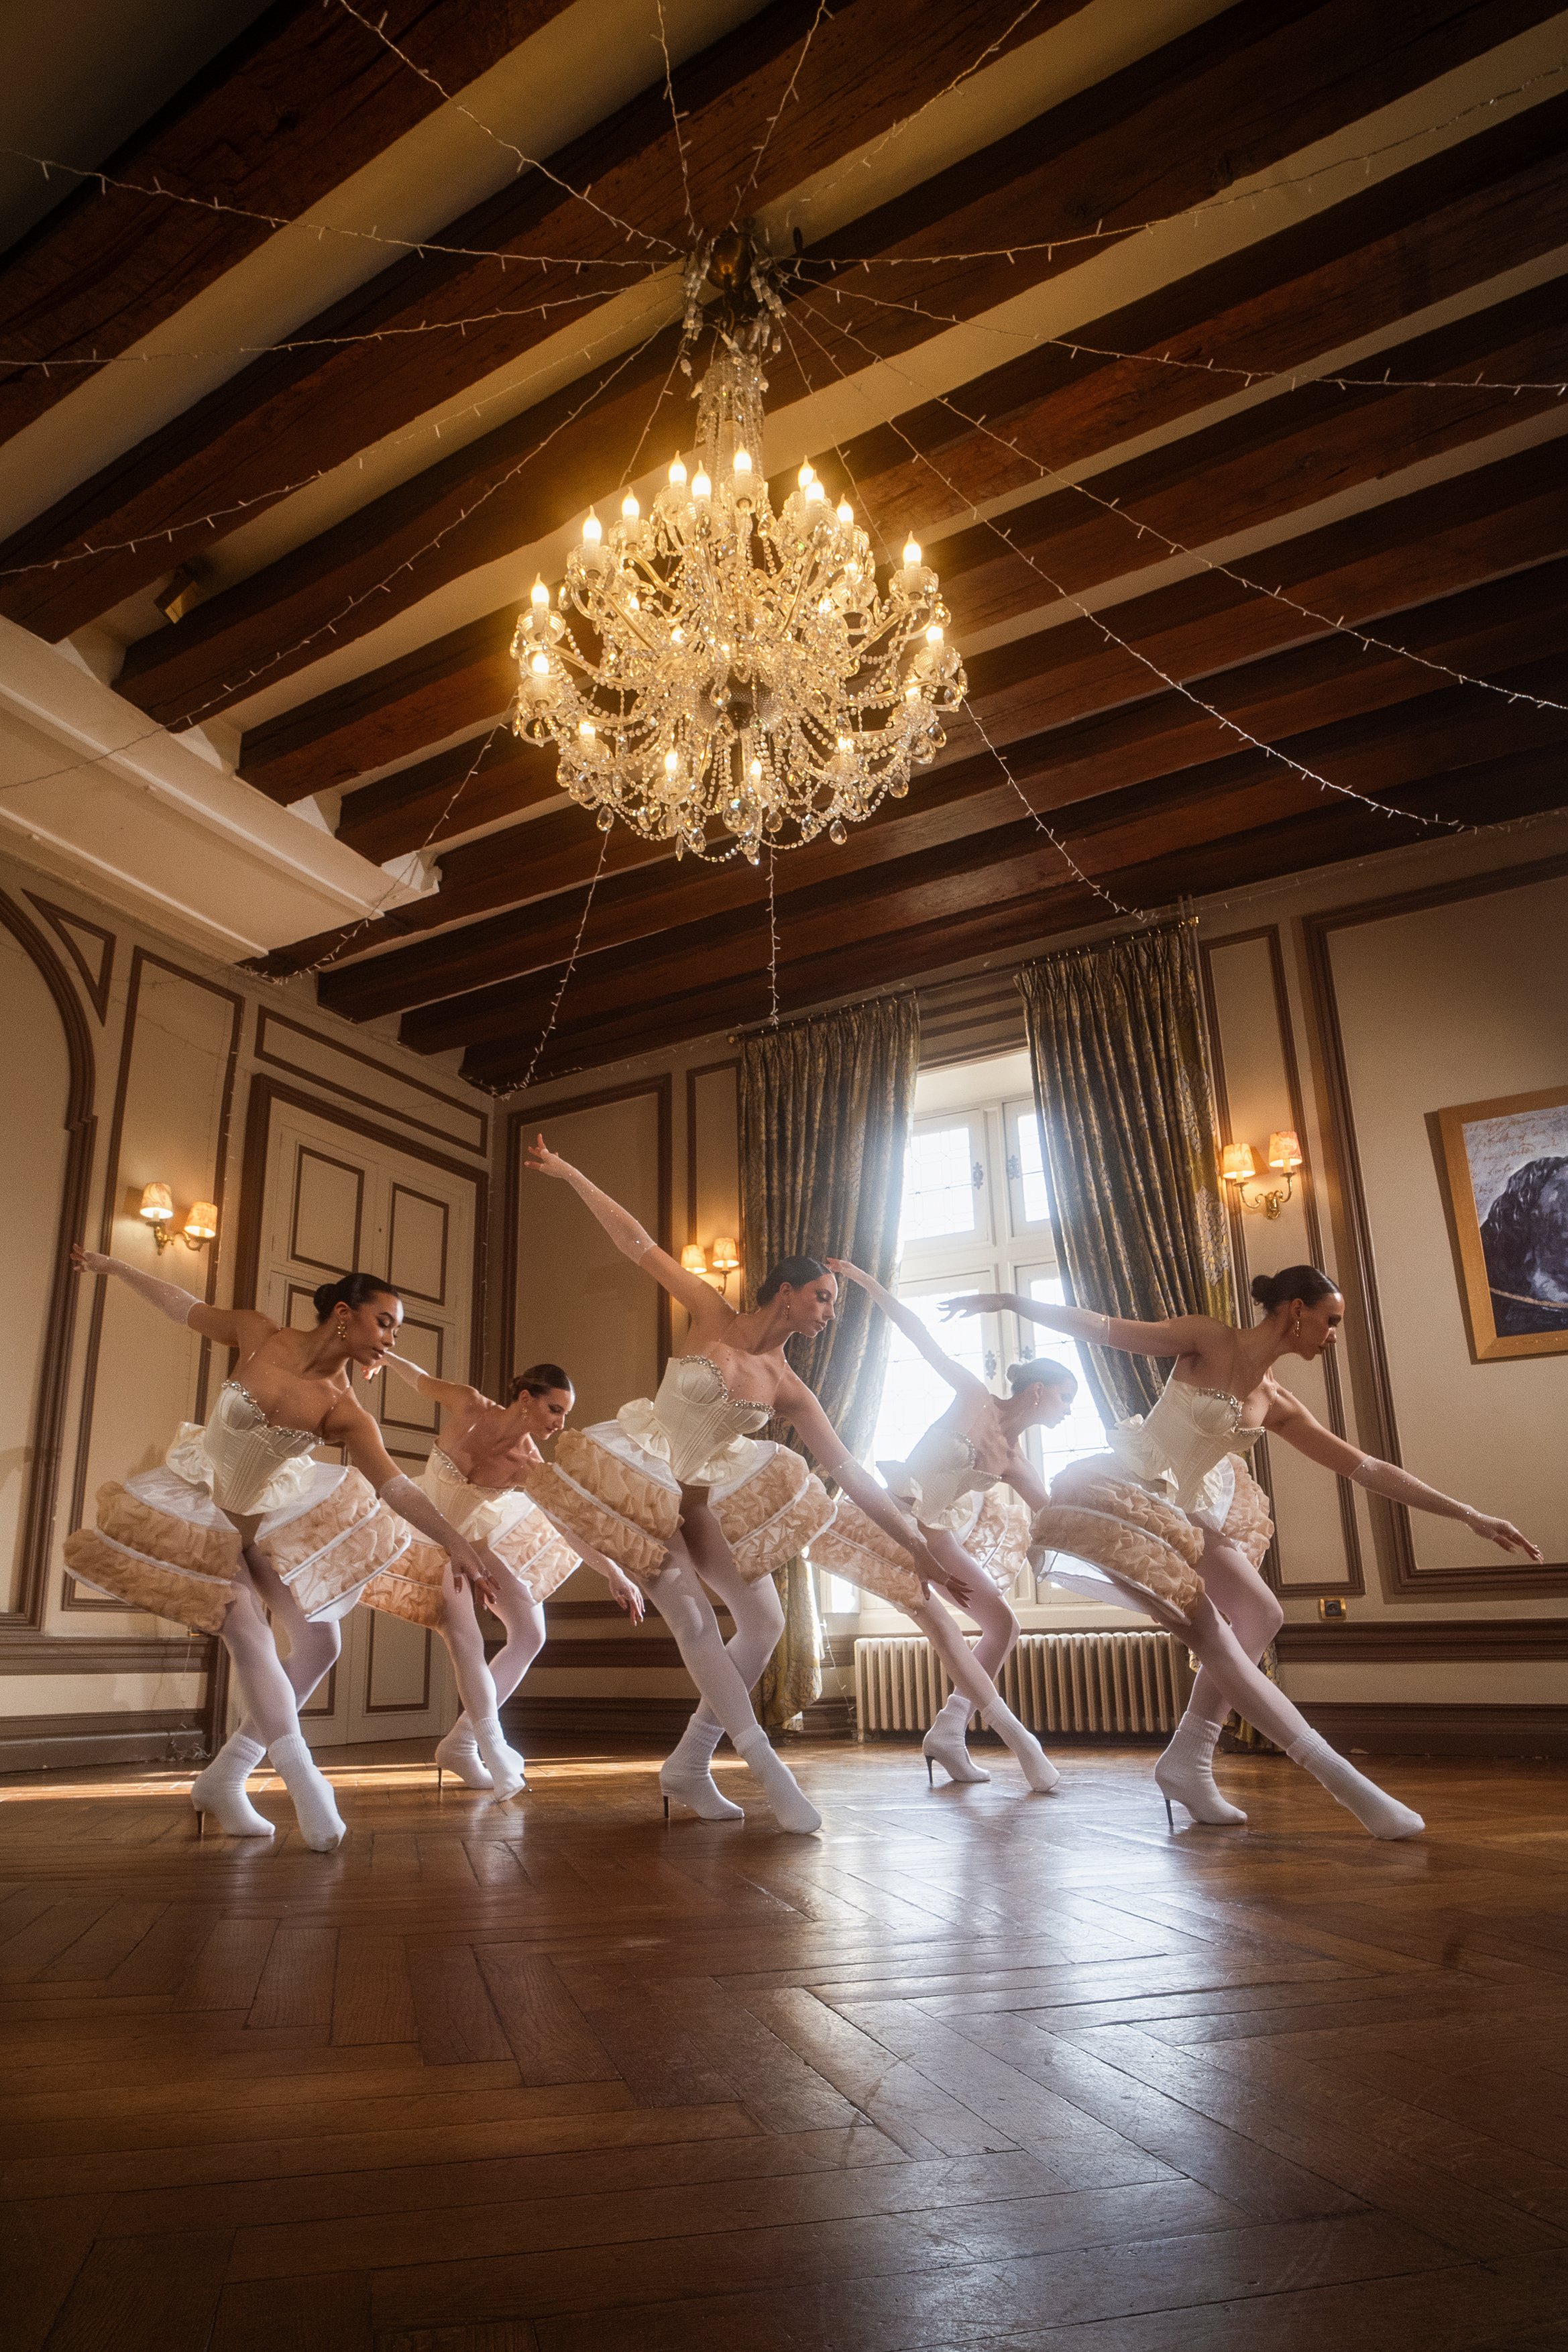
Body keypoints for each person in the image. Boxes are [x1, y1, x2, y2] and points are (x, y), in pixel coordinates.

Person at [943, 1266, 1541, 1839]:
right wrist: (1011, 1301)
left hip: (1187, 1513)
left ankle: (1189, 1758)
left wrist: (1469, 1514)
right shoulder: (1208, 1338)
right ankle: (1347, 1784)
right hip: (1126, 1496)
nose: (1333, 1335)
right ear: (1297, 1310)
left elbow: (1367, 1467)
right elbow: (1102, 1327)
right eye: (1331, 1320)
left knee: (1262, 1613)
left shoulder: (1276, 1402)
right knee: (1214, 1634)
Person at [524, 1139, 968, 1832]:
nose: (829, 1312)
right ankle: (766, 1768)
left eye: (834, 1303)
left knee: (765, 1622)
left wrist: (919, 1551)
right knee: (694, 1619)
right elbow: (635, 1240)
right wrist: (572, 1170)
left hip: (701, 1498)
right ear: (786, 1292)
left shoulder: (789, 1387)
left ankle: (689, 1762)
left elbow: (851, 1473)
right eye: (823, 1297)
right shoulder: (711, 1312)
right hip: (643, 1477)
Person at [64, 1251, 515, 1848]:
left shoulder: (343, 1409)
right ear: (344, 1313)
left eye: (396, 1331)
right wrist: (115, 1266)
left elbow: (397, 1488)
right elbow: (185, 1306)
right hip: (193, 1505)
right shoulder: (258, 1334)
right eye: (384, 1322)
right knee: (247, 1627)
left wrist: (456, 1542)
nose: (390, 1339)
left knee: (322, 1641)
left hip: (258, 1523)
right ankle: (305, 1783)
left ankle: (226, 1776)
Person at [816, 1259, 1076, 1790]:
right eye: (1065, 1397)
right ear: (1037, 1390)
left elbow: (1058, 1518)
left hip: (936, 1536)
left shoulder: (1016, 1462)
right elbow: (919, 1334)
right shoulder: (974, 1395)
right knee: (947, 1628)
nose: (1068, 1410)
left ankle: (949, 1729)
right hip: (890, 1520)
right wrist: (866, 1282)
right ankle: (1020, 1743)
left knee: (1003, 1624)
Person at [372, 1355, 645, 1791]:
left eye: (565, 1414)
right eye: (554, 1409)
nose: (560, 1423)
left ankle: (462, 1742)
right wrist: (384, 1357)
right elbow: (421, 1379)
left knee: (530, 1633)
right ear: (525, 1398)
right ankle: (490, 1749)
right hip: (422, 1529)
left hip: (472, 1539)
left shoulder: (528, 1464)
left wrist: (614, 1573)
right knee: (465, 1634)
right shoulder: (469, 1404)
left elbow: (567, 1526)